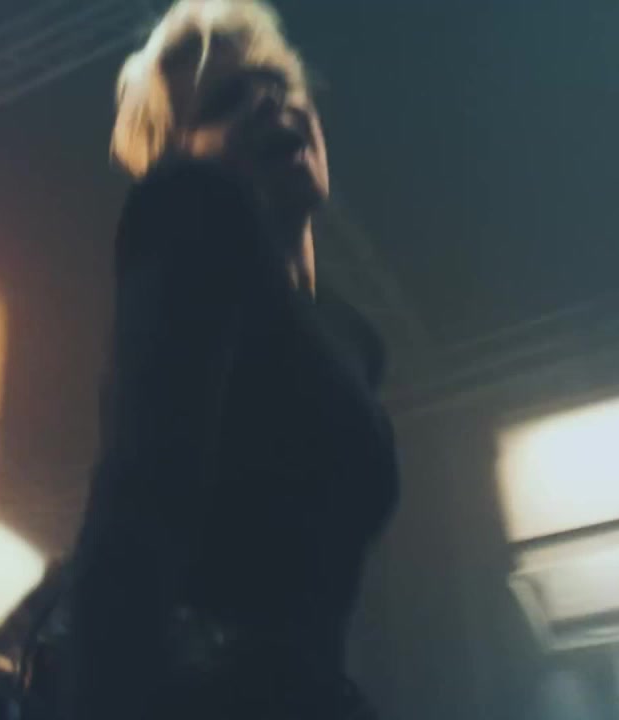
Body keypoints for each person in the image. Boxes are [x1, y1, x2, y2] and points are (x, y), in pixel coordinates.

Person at [65, 1, 400, 718]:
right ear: (178, 155)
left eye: (277, 84)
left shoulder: (349, 342)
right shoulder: (188, 207)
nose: (268, 105)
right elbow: (140, 491)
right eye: (225, 101)